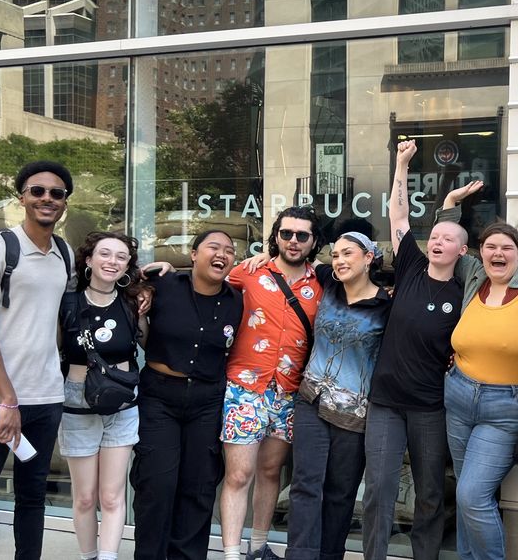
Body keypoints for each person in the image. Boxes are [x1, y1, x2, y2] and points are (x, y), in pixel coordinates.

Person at [437, 188, 518, 560]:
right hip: (458, 395)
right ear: (480, 253)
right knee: (464, 489)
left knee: (472, 495)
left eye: (506, 248)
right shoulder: (474, 275)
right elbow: (446, 240)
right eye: (490, 247)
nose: (498, 253)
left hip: (507, 406)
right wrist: (449, 205)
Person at [0, 161, 76, 560]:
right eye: (37, 191)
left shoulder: (64, 253)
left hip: (45, 397)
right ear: (21, 198)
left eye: (56, 193)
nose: (47, 198)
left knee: (33, 498)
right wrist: (8, 399)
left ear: (64, 203)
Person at [361, 140, 469, 560]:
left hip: (430, 405)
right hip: (386, 401)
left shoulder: (464, 292)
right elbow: (399, 215)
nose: (438, 242)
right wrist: (402, 164)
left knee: (429, 493)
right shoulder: (409, 266)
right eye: (435, 236)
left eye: (448, 238)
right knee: (379, 488)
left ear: (462, 251)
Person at [131, 229, 244, 560]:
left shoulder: (236, 300)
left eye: (229, 250)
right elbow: (119, 277)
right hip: (159, 397)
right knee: (157, 484)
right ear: (194, 255)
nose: (222, 254)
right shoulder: (164, 284)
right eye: (213, 247)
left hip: (207, 401)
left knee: (199, 487)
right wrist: (145, 279)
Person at [220, 206, 325, 560]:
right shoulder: (249, 272)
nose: (293, 241)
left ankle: (259, 548)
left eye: (302, 235)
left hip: (289, 392)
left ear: (313, 241)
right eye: (286, 233)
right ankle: (232, 554)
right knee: (239, 474)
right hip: (244, 387)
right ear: (276, 236)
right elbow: (207, 284)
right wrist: (164, 272)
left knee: (270, 471)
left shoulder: (321, 284)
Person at [285, 231, 391, 560]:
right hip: (311, 400)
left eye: (348, 254)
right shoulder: (328, 284)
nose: (339, 261)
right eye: (335, 255)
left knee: (340, 494)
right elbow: (291, 259)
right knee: (305, 485)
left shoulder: (386, 306)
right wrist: (262, 257)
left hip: (353, 414)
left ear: (369, 258)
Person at [58, 231, 146, 560]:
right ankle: (89, 555)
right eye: (105, 254)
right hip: (76, 401)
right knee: (84, 497)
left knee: (111, 496)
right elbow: (51, 350)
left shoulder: (132, 303)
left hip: (122, 402)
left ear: (128, 266)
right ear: (89, 260)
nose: (112, 261)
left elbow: (150, 343)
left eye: (121, 257)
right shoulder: (68, 303)